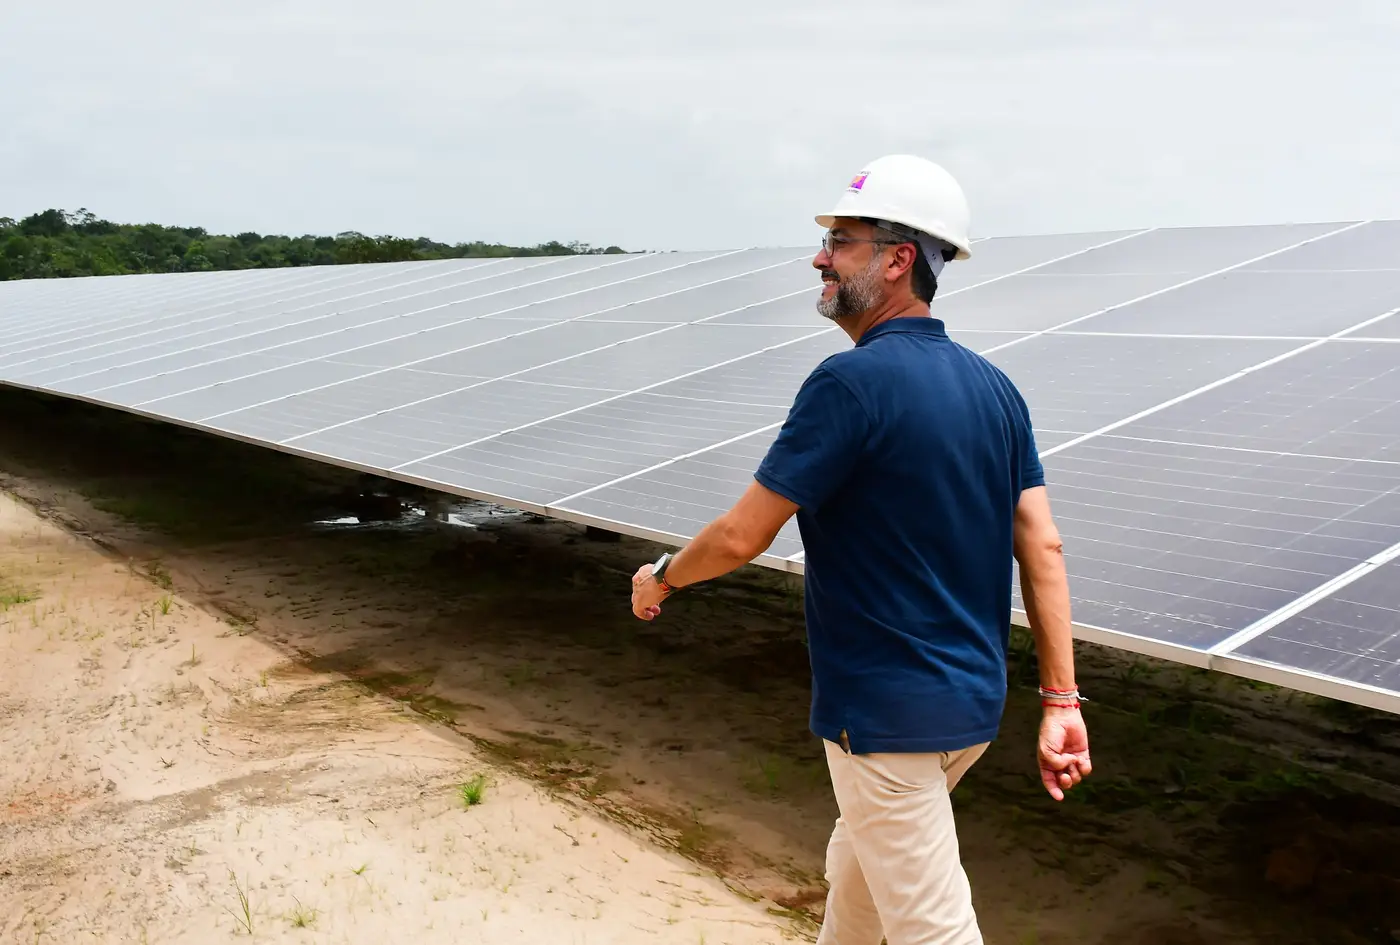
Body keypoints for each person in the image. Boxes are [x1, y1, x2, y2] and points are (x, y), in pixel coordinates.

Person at [628, 154, 1090, 945]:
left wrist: (662, 578)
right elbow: (1042, 544)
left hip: (884, 719)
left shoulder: (849, 384)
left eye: (840, 241)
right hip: (969, 713)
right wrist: (1061, 701)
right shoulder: (997, 390)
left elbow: (742, 534)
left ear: (898, 259)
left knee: (933, 929)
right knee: (860, 880)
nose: (820, 258)